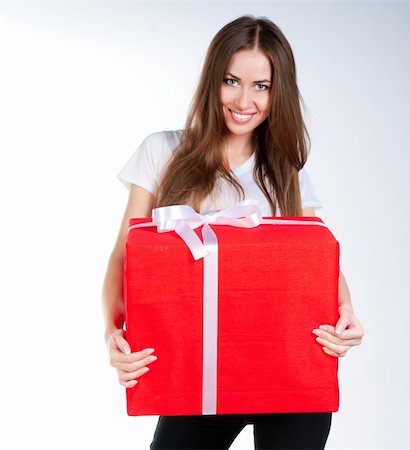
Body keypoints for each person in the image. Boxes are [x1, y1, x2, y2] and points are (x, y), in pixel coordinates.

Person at [102, 14, 365, 450]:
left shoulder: (284, 171)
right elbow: (123, 257)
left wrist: (348, 313)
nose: (245, 100)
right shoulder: (161, 150)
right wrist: (113, 335)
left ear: (278, 92)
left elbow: (318, 262)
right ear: (212, 82)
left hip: (289, 378)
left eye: (261, 86)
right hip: (199, 377)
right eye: (231, 81)